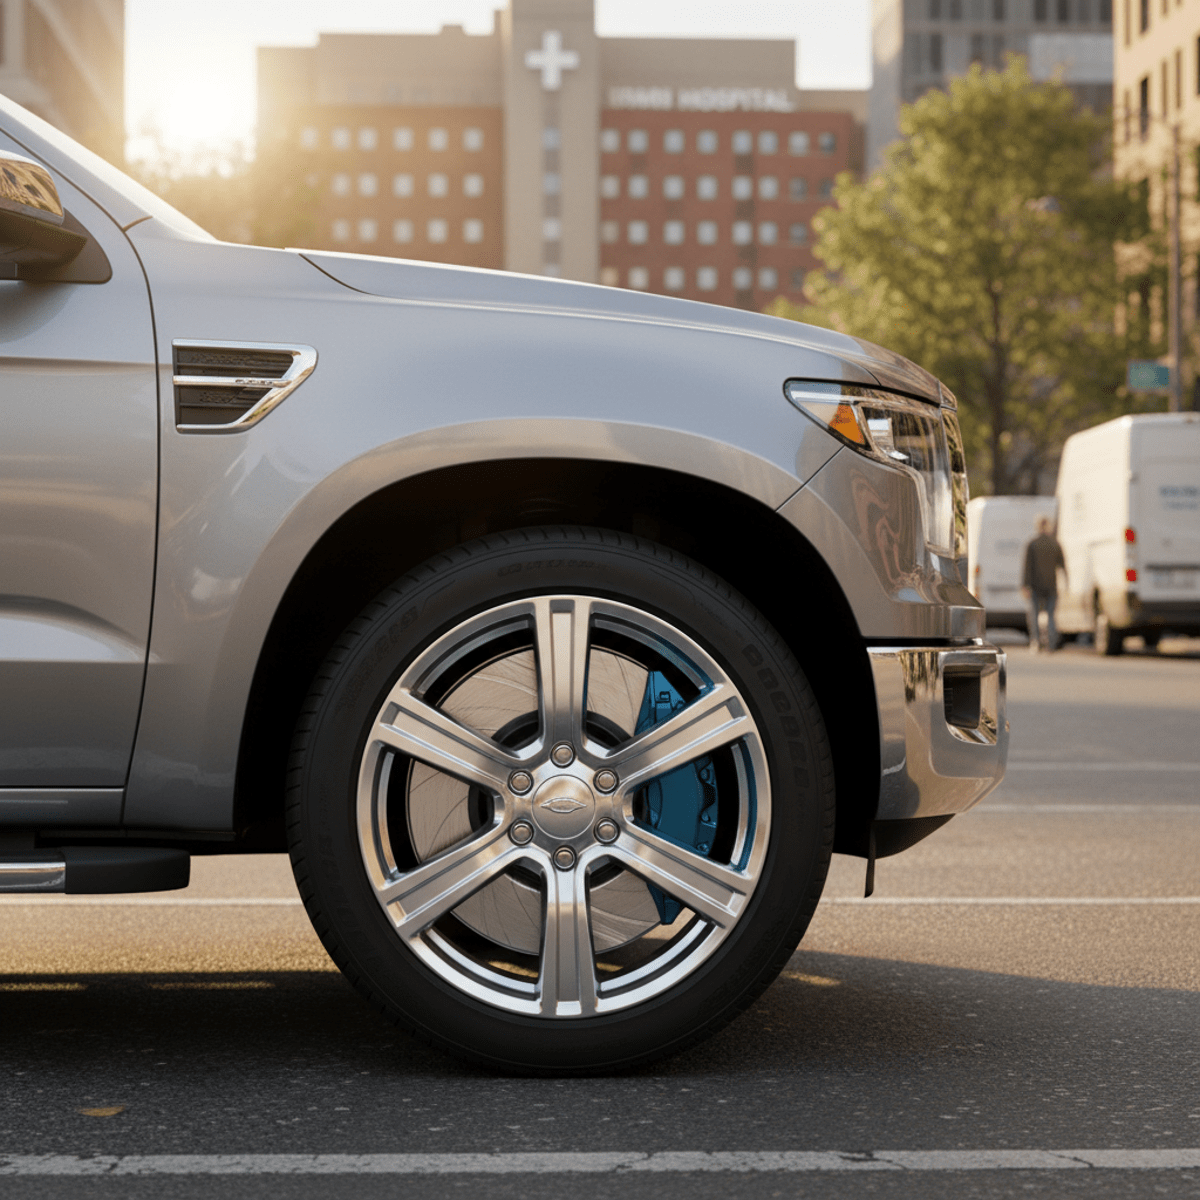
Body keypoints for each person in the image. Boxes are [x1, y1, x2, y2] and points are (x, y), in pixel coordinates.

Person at [1022, 516, 1067, 651]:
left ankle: (1036, 642)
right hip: (1051, 586)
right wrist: (1066, 581)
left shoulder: (1032, 543)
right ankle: (1051, 643)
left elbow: (1027, 567)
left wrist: (1025, 585)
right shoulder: (1055, 544)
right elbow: (1063, 565)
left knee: (1034, 615)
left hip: (1036, 586)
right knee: (1051, 616)